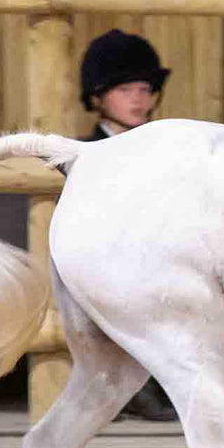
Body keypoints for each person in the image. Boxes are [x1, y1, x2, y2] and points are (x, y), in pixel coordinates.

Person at [79, 28, 178, 422]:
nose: (138, 99)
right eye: (125, 90)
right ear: (99, 96)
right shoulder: (84, 153)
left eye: (144, 89)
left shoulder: (164, 147)